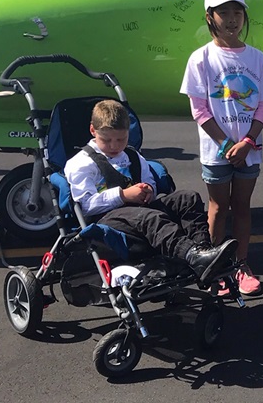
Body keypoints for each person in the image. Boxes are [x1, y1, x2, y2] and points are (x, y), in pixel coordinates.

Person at [63, 100, 237, 285]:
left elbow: (149, 180)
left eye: (121, 139)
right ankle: (191, 256)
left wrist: (148, 190)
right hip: (108, 220)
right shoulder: (82, 163)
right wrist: (122, 195)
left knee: (188, 198)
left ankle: (203, 250)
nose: (114, 146)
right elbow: (85, 206)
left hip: (139, 210)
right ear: (93, 131)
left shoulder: (132, 156)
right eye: (106, 140)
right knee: (149, 217)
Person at [180, 0, 263, 295]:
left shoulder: (257, 57)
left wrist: (248, 141)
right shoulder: (201, 58)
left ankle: (240, 265)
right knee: (219, 209)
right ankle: (213, 267)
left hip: (249, 150)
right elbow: (199, 109)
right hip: (216, 151)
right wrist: (225, 145)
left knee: (243, 207)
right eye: (224, 13)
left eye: (237, 13)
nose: (232, 20)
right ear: (210, 18)